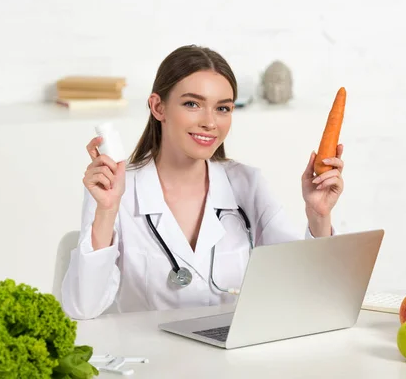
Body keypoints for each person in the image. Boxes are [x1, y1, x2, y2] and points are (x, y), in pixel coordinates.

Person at [61, 45, 345, 320]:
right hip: (152, 364)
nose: (210, 122)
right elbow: (83, 308)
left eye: (223, 109)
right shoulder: (116, 189)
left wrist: (318, 214)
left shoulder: (247, 184)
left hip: (230, 362)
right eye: (192, 104)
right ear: (158, 107)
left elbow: (308, 291)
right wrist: (107, 211)